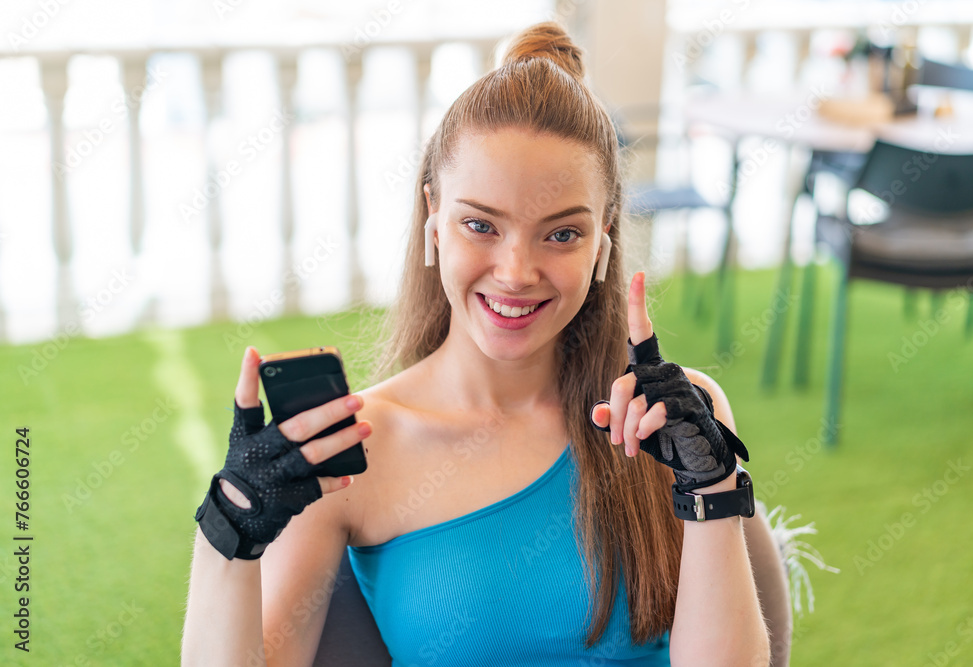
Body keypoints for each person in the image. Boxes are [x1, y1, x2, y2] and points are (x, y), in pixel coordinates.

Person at [182, 22, 776, 666]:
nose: (516, 271)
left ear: (604, 240)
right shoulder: (351, 454)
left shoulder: (675, 422)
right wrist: (229, 529)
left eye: (562, 235)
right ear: (433, 218)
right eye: (480, 225)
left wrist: (710, 487)